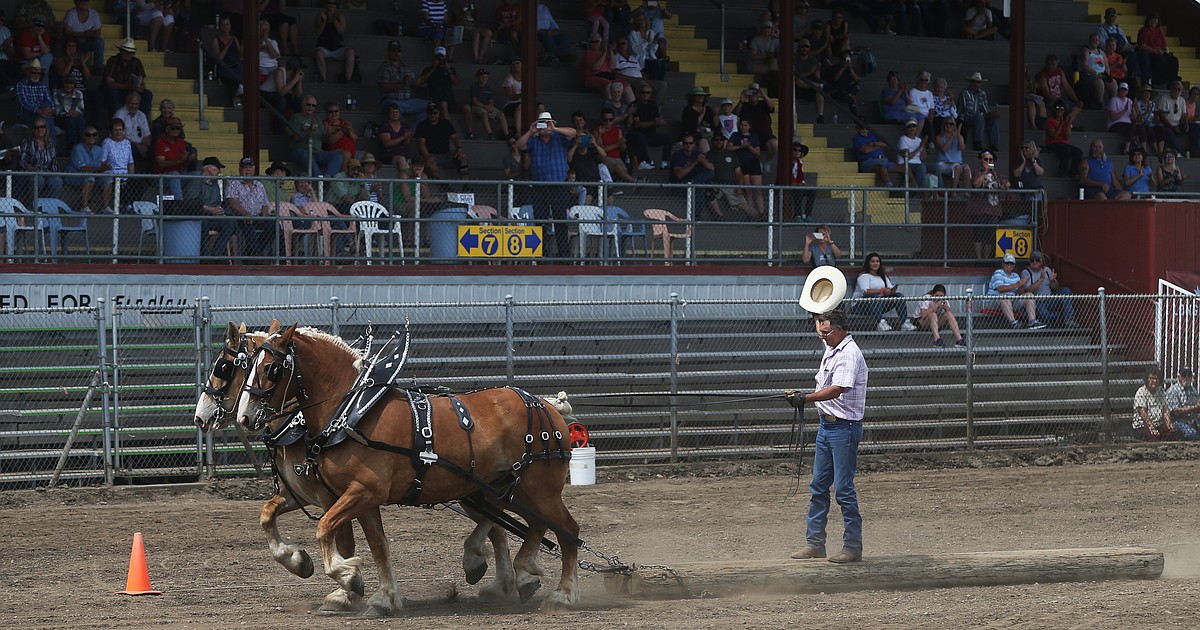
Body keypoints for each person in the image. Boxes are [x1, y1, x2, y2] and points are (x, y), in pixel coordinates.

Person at [786, 308, 867, 565]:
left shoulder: (849, 355)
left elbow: (838, 389)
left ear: (839, 330)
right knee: (819, 486)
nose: (822, 336)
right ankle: (815, 543)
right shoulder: (832, 346)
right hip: (828, 427)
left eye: (826, 332)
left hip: (844, 428)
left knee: (843, 488)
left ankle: (852, 547)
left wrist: (806, 398)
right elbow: (820, 324)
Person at [517, 110, 576, 258]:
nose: (545, 126)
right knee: (540, 222)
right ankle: (540, 255)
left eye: (548, 122)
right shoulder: (534, 140)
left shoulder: (559, 137)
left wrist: (554, 129)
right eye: (543, 123)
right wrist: (531, 131)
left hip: (559, 186)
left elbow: (573, 133)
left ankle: (563, 257)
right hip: (540, 187)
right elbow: (520, 145)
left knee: (560, 222)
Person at [224, 157, 276, 260]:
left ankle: (255, 252)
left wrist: (264, 215)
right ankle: (254, 255)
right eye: (245, 167)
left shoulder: (260, 185)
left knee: (274, 224)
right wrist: (246, 214)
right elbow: (233, 203)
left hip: (258, 217)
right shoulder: (234, 183)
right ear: (240, 169)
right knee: (247, 224)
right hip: (241, 217)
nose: (248, 170)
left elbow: (265, 204)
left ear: (254, 169)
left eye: (250, 167)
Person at [186, 156, 232, 260]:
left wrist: (220, 210)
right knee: (204, 223)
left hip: (213, 217)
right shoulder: (196, 181)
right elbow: (191, 203)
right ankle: (204, 257)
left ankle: (217, 254)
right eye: (217, 168)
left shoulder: (215, 184)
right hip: (198, 218)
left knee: (230, 222)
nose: (219, 171)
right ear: (210, 168)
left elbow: (217, 202)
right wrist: (211, 209)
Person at [852, 252, 911, 332]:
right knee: (874, 297)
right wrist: (882, 291)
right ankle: (880, 323)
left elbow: (889, 289)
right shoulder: (864, 276)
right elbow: (866, 291)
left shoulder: (883, 276)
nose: (875, 263)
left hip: (879, 305)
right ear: (868, 263)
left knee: (899, 296)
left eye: (877, 261)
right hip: (861, 306)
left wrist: (891, 291)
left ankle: (904, 323)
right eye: (873, 261)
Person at [1018, 250, 1077, 329]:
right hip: (1038, 300)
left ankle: (1069, 321)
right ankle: (1049, 331)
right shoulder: (1026, 272)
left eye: (1037, 260)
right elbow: (1028, 291)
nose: (1034, 262)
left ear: (1041, 261)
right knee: (1044, 316)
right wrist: (1041, 279)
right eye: (1032, 260)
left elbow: (1055, 287)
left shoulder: (1047, 270)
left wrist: (1053, 281)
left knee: (1066, 291)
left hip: (1050, 299)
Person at [377, 40, 429, 127]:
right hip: (390, 100)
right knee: (395, 109)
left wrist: (417, 83)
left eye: (398, 51)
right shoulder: (384, 67)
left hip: (407, 101)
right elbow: (384, 87)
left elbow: (413, 84)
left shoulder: (407, 67)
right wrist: (402, 83)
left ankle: (412, 129)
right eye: (393, 51)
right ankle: (401, 133)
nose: (396, 53)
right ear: (388, 52)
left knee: (431, 106)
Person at [288, 96, 343, 177]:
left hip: (317, 152)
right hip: (300, 151)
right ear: (303, 105)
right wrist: (310, 129)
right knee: (306, 155)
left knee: (337, 156)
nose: (311, 107)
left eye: (313, 105)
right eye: (308, 105)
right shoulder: (296, 118)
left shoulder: (317, 119)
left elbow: (325, 139)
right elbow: (295, 137)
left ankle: (328, 179)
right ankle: (319, 181)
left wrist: (330, 132)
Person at [970, 149, 1009, 259]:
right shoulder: (976, 171)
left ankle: (986, 259)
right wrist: (984, 172)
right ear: (981, 160)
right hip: (979, 208)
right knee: (979, 233)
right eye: (986, 159)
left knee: (990, 235)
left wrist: (1006, 185)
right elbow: (976, 184)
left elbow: (1002, 186)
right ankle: (978, 259)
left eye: (990, 159)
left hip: (993, 209)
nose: (988, 161)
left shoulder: (996, 174)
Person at [414, 101, 468, 180]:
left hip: (446, 154)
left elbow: (455, 137)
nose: (432, 115)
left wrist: (459, 148)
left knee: (462, 157)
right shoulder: (422, 126)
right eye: (430, 113)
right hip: (432, 155)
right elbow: (421, 144)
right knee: (429, 163)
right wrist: (428, 156)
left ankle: (465, 184)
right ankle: (445, 186)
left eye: (435, 113)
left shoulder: (446, 124)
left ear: (439, 113)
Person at [987, 253, 1040, 329]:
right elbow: (1000, 288)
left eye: (1011, 263)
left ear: (1014, 265)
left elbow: (1019, 293)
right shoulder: (998, 273)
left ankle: (1032, 321)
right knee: (1003, 296)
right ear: (1003, 263)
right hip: (994, 302)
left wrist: (1022, 285)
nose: (1009, 265)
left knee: (1029, 295)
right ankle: (1013, 322)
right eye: (1007, 263)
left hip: (1011, 302)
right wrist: (1018, 284)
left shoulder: (1016, 276)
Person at [103, 39, 153, 118]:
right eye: (126, 51)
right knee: (113, 92)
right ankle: (115, 122)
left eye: (131, 52)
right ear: (121, 51)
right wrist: (130, 86)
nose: (128, 54)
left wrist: (141, 87)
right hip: (118, 91)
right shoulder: (113, 61)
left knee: (147, 94)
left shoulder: (137, 62)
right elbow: (110, 83)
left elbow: (142, 81)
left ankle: (142, 120)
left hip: (132, 91)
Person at [626, 84, 671, 170]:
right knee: (639, 137)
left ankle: (664, 162)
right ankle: (647, 161)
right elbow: (637, 124)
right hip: (638, 135)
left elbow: (657, 121)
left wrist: (660, 122)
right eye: (643, 92)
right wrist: (654, 122)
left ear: (650, 94)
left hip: (651, 135)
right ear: (639, 93)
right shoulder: (635, 104)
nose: (645, 94)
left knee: (668, 139)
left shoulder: (653, 105)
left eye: (647, 93)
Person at [18, 115, 62, 200]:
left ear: (46, 129)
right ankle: (34, 205)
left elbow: (53, 163)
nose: (40, 129)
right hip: (31, 172)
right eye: (37, 127)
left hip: (47, 172)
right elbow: (22, 161)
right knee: (39, 180)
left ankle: (51, 206)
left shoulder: (51, 143)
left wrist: (55, 174)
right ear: (33, 130)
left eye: (42, 127)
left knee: (57, 180)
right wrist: (34, 169)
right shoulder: (27, 142)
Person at [313, 1, 358, 84]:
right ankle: (324, 79)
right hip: (323, 46)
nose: (331, 5)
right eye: (329, 3)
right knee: (318, 53)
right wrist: (325, 21)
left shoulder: (340, 16)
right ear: (325, 5)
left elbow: (341, 31)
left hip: (337, 47)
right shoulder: (320, 15)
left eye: (334, 3)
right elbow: (318, 32)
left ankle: (348, 79)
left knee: (351, 51)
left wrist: (334, 20)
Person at [705, 134, 749, 220]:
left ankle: (758, 217)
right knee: (708, 194)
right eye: (716, 140)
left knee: (742, 204)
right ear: (711, 142)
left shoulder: (731, 154)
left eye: (721, 140)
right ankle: (720, 216)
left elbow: (739, 173)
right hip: (715, 186)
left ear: (724, 141)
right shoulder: (708, 155)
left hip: (731, 186)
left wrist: (740, 187)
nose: (718, 142)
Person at [69, 125, 110, 214]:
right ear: (84, 136)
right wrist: (100, 168)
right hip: (74, 175)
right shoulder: (77, 148)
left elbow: (99, 168)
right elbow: (83, 168)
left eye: (94, 134)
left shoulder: (99, 149)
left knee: (108, 177)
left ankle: (106, 207)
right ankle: (84, 207)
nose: (91, 137)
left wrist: (105, 169)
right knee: (89, 176)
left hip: (94, 175)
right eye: (88, 135)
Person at [152, 116, 194, 199]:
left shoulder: (180, 142)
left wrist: (188, 160)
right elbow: (161, 164)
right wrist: (180, 160)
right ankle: (180, 206)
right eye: (173, 128)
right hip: (161, 178)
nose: (176, 130)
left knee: (197, 175)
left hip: (179, 175)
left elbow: (183, 164)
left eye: (178, 128)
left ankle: (193, 203)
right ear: (166, 129)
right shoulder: (160, 142)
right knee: (174, 174)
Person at [957, 71, 999, 152]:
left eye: (979, 82)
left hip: (979, 117)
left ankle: (994, 144)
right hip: (965, 117)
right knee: (979, 116)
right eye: (975, 82)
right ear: (970, 82)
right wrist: (984, 114)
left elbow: (985, 108)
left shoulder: (982, 93)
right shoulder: (965, 93)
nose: (977, 84)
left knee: (994, 119)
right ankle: (978, 142)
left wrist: (990, 114)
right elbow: (967, 110)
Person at [730, 118, 764, 217]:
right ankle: (752, 213)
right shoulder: (735, 135)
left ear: (749, 126)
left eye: (745, 125)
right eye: (741, 125)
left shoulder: (753, 137)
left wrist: (748, 146)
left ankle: (761, 212)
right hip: (742, 163)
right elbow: (729, 147)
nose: (743, 127)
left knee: (757, 189)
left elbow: (757, 152)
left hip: (753, 163)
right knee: (748, 190)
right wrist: (740, 147)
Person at [1135, 12, 1178, 88]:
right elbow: (1142, 46)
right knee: (1159, 60)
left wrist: (1165, 50)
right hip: (1150, 52)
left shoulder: (1159, 31)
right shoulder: (1144, 30)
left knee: (1174, 60)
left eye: (1155, 20)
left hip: (1160, 51)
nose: (1153, 22)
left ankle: (1172, 82)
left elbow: (1164, 45)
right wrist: (1156, 51)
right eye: (1152, 20)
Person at [100, 118, 135, 213]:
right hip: (112, 173)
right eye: (116, 130)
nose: (118, 132)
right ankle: (108, 207)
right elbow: (102, 161)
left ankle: (128, 205)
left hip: (125, 174)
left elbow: (130, 162)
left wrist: (132, 176)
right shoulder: (107, 142)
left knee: (138, 182)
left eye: (120, 130)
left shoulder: (127, 143)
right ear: (111, 131)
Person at [1097, 7, 1137, 87]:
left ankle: (1137, 77)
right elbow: (1103, 45)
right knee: (1130, 55)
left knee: (1137, 53)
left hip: (1123, 50)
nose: (1112, 18)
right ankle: (1133, 78)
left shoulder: (1119, 29)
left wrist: (1132, 47)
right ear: (1105, 17)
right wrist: (1116, 48)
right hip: (1111, 51)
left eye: (1114, 16)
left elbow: (1126, 43)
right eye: (1110, 16)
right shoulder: (1102, 29)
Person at [209, 15, 243, 107]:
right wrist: (227, 46)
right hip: (224, 67)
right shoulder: (216, 40)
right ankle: (239, 89)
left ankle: (238, 90)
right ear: (220, 26)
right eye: (223, 24)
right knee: (238, 73)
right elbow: (218, 59)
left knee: (241, 67)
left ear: (230, 26)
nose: (225, 26)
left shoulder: (234, 38)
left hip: (236, 65)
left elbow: (240, 56)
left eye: (227, 24)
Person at [463, 68, 506, 140]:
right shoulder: (474, 87)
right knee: (484, 114)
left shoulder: (487, 87)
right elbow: (474, 101)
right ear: (477, 78)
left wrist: (490, 105)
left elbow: (491, 100)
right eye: (482, 77)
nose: (484, 79)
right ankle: (490, 134)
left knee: (501, 114)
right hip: (477, 106)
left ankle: (506, 134)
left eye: (486, 77)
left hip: (487, 106)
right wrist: (484, 106)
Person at [418, 46, 459, 121]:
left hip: (449, 99)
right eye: (438, 57)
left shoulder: (450, 69)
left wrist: (448, 70)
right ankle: (447, 128)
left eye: (442, 57)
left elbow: (456, 82)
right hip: (435, 99)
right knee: (443, 104)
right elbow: (420, 81)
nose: (440, 59)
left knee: (447, 104)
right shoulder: (428, 69)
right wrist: (433, 68)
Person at [16, 60, 55, 139]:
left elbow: (49, 100)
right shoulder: (21, 85)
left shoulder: (43, 85)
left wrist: (51, 109)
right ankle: (51, 148)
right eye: (33, 73)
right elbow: (24, 103)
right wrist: (39, 111)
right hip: (27, 115)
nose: (36, 75)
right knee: (47, 120)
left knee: (47, 114)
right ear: (27, 72)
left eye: (38, 73)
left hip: (42, 114)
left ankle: (49, 148)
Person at [1133, 369, 1175, 441]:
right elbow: (1143, 412)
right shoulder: (1141, 392)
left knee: (1172, 433)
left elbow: (1165, 409)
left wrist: (1168, 423)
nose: (1154, 381)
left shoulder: (1160, 391)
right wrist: (1151, 427)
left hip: (1159, 423)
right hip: (1143, 425)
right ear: (1147, 379)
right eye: (1152, 378)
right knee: (1153, 436)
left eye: (1156, 379)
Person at [62, 0, 104, 73]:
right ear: (76, 2)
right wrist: (83, 34)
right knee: (66, 40)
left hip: (88, 40)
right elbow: (67, 32)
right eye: (81, 1)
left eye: (86, 1)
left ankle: (98, 68)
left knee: (99, 42)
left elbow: (98, 32)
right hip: (74, 40)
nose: (84, 3)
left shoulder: (94, 14)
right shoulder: (71, 14)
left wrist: (92, 34)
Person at [1043, 100, 1082, 178]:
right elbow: (1055, 135)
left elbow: (1067, 136)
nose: (1060, 110)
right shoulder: (1050, 120)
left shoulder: (1066, 121)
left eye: (1062, 109)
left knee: (1079, 152)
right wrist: (1060, 124)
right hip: (1052, 143)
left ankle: (1072, 172)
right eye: (1057, 108)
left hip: (1064, 143)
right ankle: (1062, 172)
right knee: (1066, 151)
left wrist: (1068, 125)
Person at [853, 121, 897, 188]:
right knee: (882, 168)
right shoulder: (856, 138)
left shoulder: (873, 135)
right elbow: (865, 150)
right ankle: (891, 188)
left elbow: (886, 144)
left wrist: (874, 144)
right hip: (868, 162)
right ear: (857, 128)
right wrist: (879, 145)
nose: (864, 130)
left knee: (904, 168)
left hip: (883, 159)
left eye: (866, 128)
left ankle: (914, 187)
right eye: (862, 128)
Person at [1080, 33, 1116, 111]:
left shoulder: (1102, 52)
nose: (1095, 41)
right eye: (1093, 40)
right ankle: (1099, 104)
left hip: (1102, 75)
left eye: (1097, 40)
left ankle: (1113, 105)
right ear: (1090, 41)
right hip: (1090, 75)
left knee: (1113, 83)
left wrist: (1107, 75)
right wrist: (1097, 74)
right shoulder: (1087, 51)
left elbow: (1106, 66)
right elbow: (1085, 65)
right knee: (1100, 83)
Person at [1107, 82, 1145, 156]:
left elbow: (1134, 118)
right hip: (1115, 124)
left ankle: (1143, 149)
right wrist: (1124, 110)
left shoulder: (1129, 101)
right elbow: (1113, 117)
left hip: (1128, 124)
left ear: (1127, 91)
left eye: (1124, 90)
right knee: (1132, 126)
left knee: (1141, 127)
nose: (1123, 92)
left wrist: (1134, 108)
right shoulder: (1114, 100)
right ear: (1118, 90)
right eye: (1121, 90)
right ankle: (1126, 149)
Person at [793, 39, 826, 123]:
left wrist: (816, 70)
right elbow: (793, 76)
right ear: (799, 48)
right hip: (797, 88)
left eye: (806, 46)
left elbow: (817, 77)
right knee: (798, 81)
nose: (804, 48)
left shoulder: (814, 60)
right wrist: (810, 72)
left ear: (809, 48)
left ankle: (820, 116)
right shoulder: (794, 59)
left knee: (819, 91)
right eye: (802, 46)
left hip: (810, 87)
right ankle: (818, 86)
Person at [1165, 367, 1200, 441]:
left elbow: (1197, 406)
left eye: (1189, 375)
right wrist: (1194, 407)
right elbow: (1175, 412)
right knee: (1192, 434)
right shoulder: (1173, 390)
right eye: (1184, 375)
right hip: (1178, 420)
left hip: (1193, 419)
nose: (1187, 377)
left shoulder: (1193, 390)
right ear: (1179, 377)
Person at [1154, 80, 1188, 155]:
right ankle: (1178, 152)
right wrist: (1173, 127)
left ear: (1181, 90)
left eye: (1179, 89)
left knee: (1194, 129)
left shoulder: (1182, 100)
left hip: (1178, 124)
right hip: (1167, 124)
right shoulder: (1164, 98)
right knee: (1168, 132)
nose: (1176, 91)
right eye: (1175, 88)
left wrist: (1186, 124)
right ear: (1171, 88)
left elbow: (1184, 115)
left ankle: (1194, 151)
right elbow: (1161, 116)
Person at [378, 103, 413, 172]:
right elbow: (387, 143)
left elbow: (407, 143)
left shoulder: (404, 125)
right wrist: (403, 137)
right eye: (392, 112)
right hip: (389, 155)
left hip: (404, 154)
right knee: (401, 159)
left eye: (397, 112)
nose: (395, 114)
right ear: (388, 114)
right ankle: (410, 181)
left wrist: (408, 137)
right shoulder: (385, 126)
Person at [680, 86, 716, 154]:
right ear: (693, 97)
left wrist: (716, 115)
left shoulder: (708, 109)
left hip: (709, 134)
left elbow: (714, 125)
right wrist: (702, 113)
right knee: (703, 141)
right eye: (698, 95)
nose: (700, 97)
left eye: (702, 95)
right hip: (694, 135)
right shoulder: (688, 110)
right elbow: (693, 126)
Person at [535, 2, 572, 66]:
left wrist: (555, 29)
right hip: (538, 32)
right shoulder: (526, 9)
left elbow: (551, 21)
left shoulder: (544, 8)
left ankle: (562, 59)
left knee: (564, 37)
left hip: (550, 31)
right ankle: (551, 59)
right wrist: (546, 32)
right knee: (549, 39)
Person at [321, 100, 357, 165]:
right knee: (346, 155)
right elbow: (330, 141)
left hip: (350, 151)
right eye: (331, 112)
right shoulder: (325, 123)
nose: (334, 114)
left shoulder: (344, 122)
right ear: (326, 113)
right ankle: (342, 174)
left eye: (336, 111)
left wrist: (349, 130)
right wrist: (342, 131)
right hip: (333, 151)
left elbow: (355, 139)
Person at [896, 119, 927, 192]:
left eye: (913, 126)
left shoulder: (918, 140)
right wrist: (920, 147)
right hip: (906, 163)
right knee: (922, 167)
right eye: (909, 127)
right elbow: (907, 157)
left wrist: (923, 145)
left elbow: (922, 158)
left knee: (937, 167)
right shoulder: (903, 139)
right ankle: (921, 191)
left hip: (918, 163)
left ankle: (940, 191)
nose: (912, 128)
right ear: (906, 129)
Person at [788, 141, 815, 222]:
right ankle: (798, 215)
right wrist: (798, 184)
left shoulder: (800, 163)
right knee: (798, 191)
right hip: (790, 186)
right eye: (795, 150)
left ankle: (808, 214)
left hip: (798, 185)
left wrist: (804, 184)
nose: (797, 152)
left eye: (799, 151)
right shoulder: (786, 163)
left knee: (811, 191)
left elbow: (800, 177)